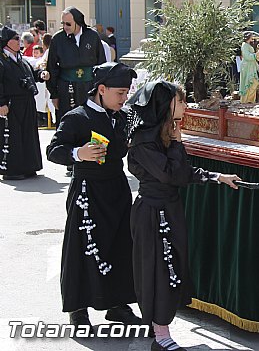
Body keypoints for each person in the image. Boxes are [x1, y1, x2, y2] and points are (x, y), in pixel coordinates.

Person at [127, 80, 240, 351]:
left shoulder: (166, 134)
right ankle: (160, 333)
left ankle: (160, 328)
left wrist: (217, 176)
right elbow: (170, 174)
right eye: (181, 101)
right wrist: (178, 144)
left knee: (173, 267)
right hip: (153, 214)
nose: (186, 106)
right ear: (166, 105)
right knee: (159, 270)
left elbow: (184, 172)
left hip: (169, 210)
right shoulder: (144, 140)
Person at [46, 62, 142, 331]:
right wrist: (78, 154)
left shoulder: (123, 116)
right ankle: (78, 308)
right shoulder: (77, 117)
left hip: (117, 188)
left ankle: (118, 304)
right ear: (101, 89)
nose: (124, 99)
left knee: (120, 244)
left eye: (127, 93)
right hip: (88, 191)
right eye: (120, 93)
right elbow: (53, 150)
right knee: (82, 248)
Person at [0, 26, 48, 180]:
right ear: (6, 42)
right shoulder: (2, 60)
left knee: (28, 134)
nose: (18, 41)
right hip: (11, 102)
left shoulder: (20, 58)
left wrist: (41, 74)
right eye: (15, 38)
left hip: (26, 101)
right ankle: (13, 170)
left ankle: (29, 166)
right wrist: (1, 103)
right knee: (13, 136)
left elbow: (30, 73)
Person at [46, 6, 107, 122]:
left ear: (78, 22)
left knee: (91, 120)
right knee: (68, 120)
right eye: (63, 23)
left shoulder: (92, 36)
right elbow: (51, 67)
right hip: (66, 88)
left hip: (89, 86)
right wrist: (54, 94)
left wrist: (101, 89)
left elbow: (101, 64)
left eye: (68, 24)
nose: (65, 27)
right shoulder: (58, 39)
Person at [239, 31, 259, 103]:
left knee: (254, 82)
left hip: (251, 65)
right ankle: (246, 100)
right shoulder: (244, 45)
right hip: (247, 66)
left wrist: (256, 55)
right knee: (249, 82)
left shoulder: (248, 45)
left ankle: (250, 100)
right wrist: (255, 55)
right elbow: (247, 56)